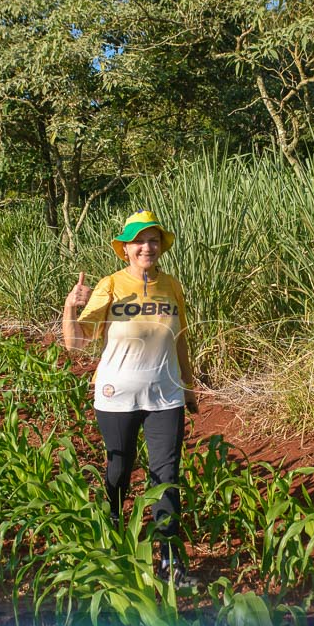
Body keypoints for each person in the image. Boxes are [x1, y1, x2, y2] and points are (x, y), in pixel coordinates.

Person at [63, 210, 199, 587]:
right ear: (125, 249)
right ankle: (114, 548)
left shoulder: (172, 286)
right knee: (119, 473)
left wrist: (188, 385)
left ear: (161, 246)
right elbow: (76, 342)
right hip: (116, 396)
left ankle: (171, 566)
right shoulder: (109, 285)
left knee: (166, 479)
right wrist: (70, 307)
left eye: (153, 240)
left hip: (165, 395)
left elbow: (181, 339)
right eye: (138, 241)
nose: (146, 247)